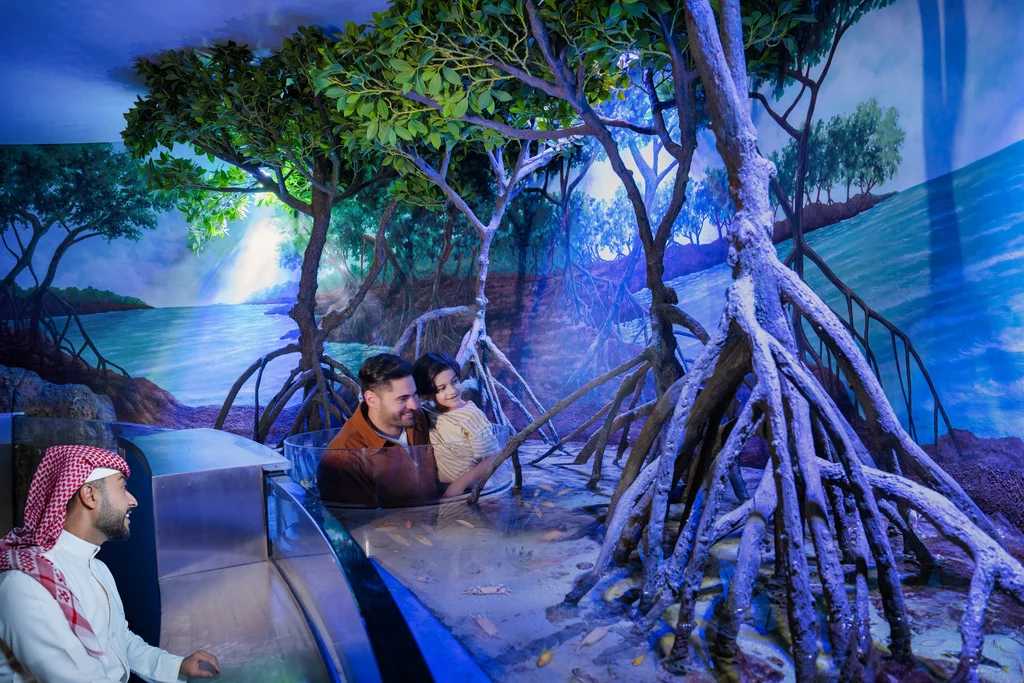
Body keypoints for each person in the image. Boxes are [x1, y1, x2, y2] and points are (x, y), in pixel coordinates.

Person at [0, 444, 220, 682]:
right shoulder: (27, 585)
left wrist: (175, 666)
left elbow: (118, 640)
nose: (133, 501)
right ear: (90, 495)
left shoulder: (97, 568)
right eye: (123, 487)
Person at [318, 354, 441, 506]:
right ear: (371, 400)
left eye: (415, 395)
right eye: (402, 399)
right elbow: (357, 519)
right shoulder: (342, 457)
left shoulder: (419, 416)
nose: (414, 405)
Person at [412, 352, 500, 498]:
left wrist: (460, 484)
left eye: (454, 381)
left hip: (473, 490)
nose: (452, 391)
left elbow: (492, 457)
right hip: (441, 489)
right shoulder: (428, 410)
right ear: (427, 395)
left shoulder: (471, 416)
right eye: (442, 388)